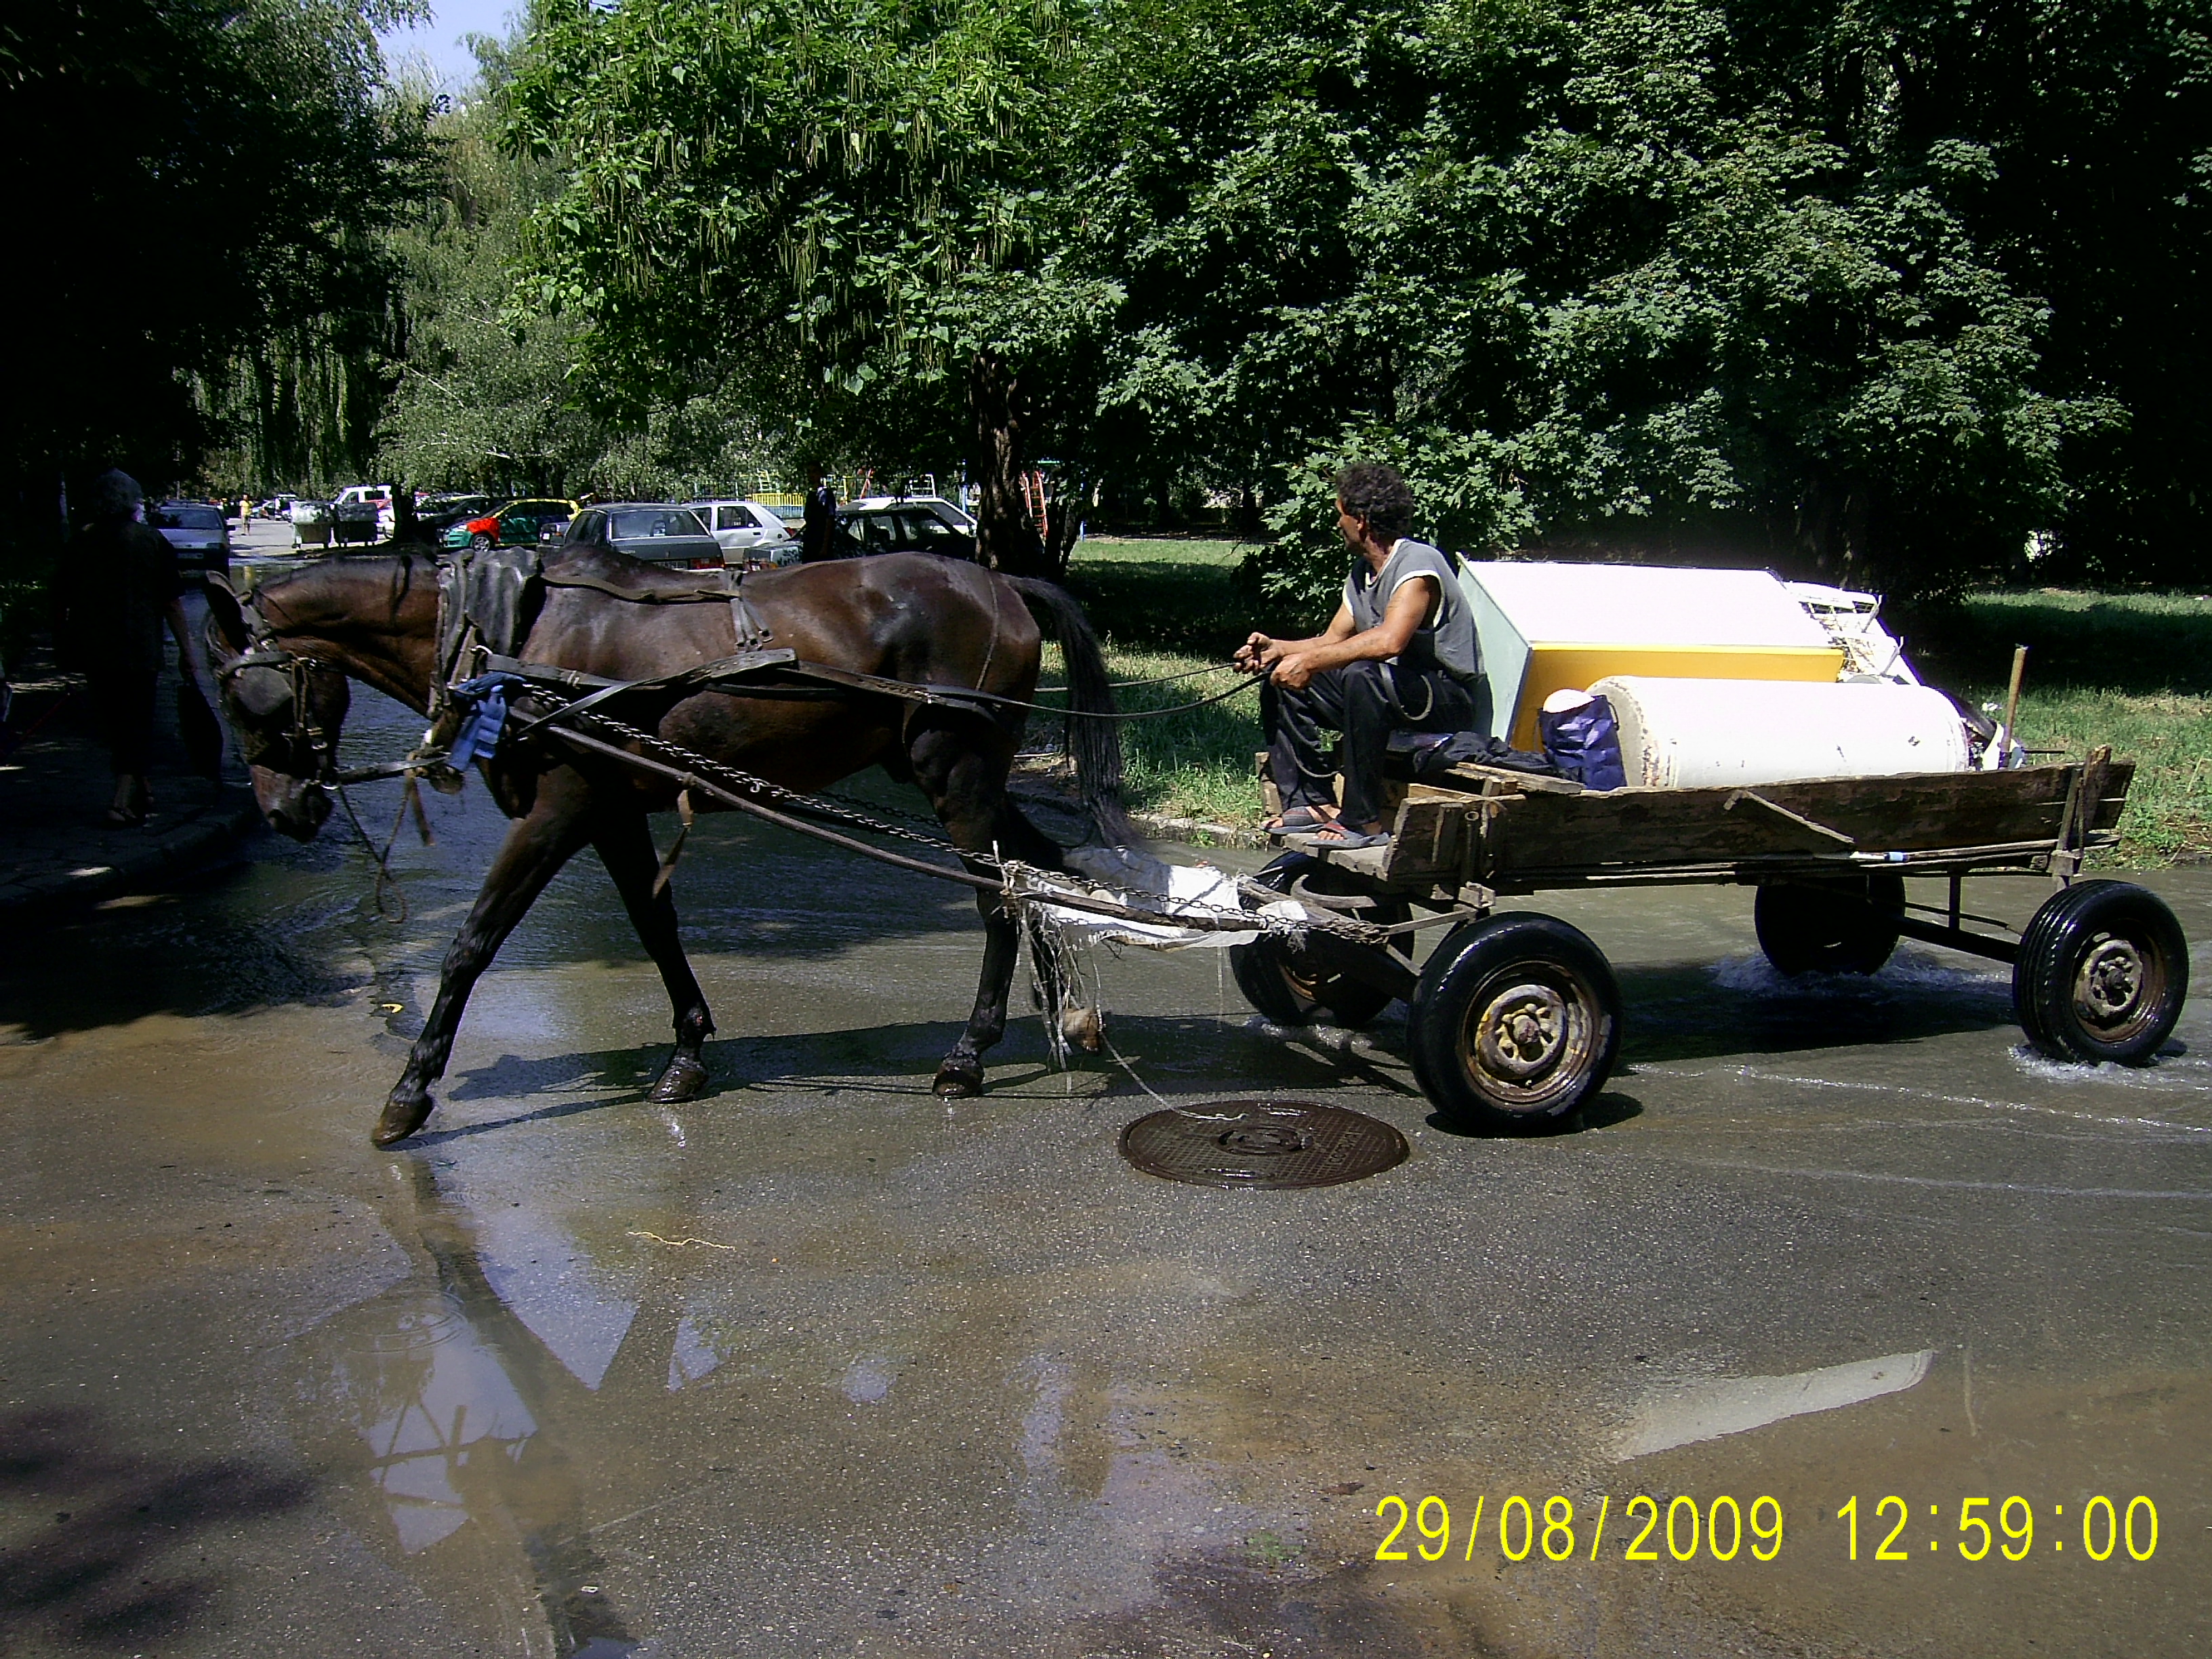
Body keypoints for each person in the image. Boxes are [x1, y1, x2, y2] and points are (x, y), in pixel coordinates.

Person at [1233, 463, 1485, 850]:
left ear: (1361, 520)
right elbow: (1333, 639)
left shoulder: (1417, 563)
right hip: (1391, 690)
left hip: (1445, 699)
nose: (1338, 524)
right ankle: (1310, 800)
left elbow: (1389, 642)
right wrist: (1279, 651)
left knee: (1363, 675)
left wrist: (1313, 662)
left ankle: (1363, 821)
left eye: (1341, 514)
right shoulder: (1362, 572)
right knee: (1283, 679)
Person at [50, 469, 208, 826]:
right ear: (133, 502)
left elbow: (60, 600)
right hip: (138, 650)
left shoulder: (80, 542)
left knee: (114, 722)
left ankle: (143, 788)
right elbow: (171, 603)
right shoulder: (151, 541)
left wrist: (63, 645)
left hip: (94, 649)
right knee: (135, 723)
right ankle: (120, 801)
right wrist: (188, 651)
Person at [800, 467, 839, 562]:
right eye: (809, 472)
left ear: (820, 474)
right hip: (810, 543)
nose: (811, 475)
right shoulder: (811, 495)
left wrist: (825, 547)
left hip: (820, 543)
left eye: (814, 472)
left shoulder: (826, 494)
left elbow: (829, 521)